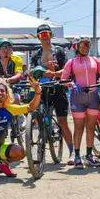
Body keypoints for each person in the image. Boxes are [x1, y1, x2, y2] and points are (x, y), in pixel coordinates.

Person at [61, 36, 100, 167]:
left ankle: (89, 155)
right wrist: (71, 84)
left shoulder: (95, 60)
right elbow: (63, 80)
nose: (85, 47)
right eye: (83, 45)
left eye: (87, 45)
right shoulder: (71, 62)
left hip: (93, 96)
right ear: (77, 47)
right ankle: (77, 156)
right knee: (79, 128)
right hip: (77, 97)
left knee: (91, 128)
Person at [30, 23, 74, 164]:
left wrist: (52, 73)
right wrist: (42, 71)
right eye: (42, 35)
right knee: (38, 118)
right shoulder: (36, 54)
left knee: (62, 121)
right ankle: (40, 150)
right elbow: (31, 72)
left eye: (47, 34)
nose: (45, 37)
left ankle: (72, 152)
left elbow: (67, 70)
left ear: (51, 35)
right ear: (38, 37)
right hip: (43, 90)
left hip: (58, 88)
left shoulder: (59, 51)